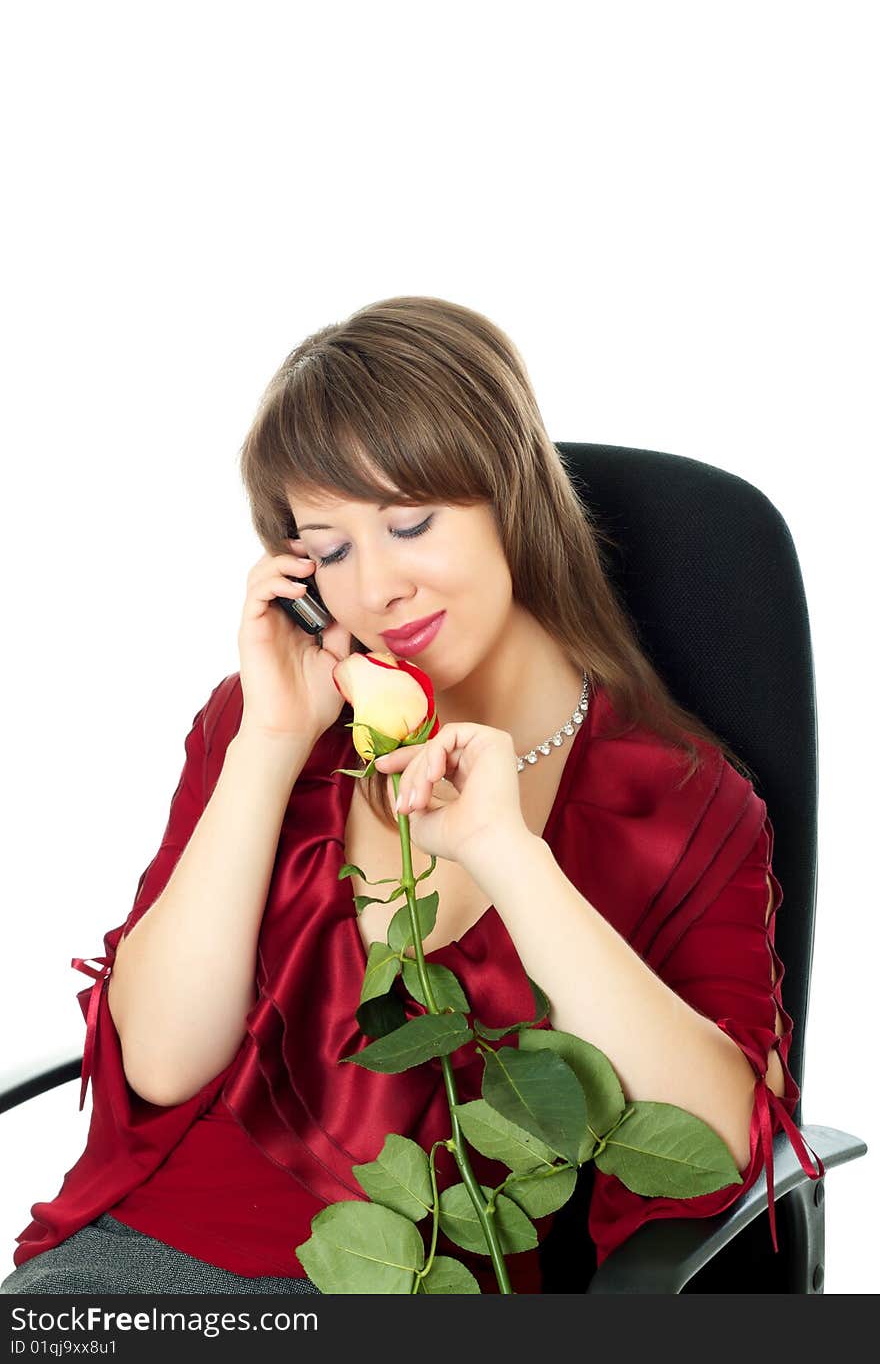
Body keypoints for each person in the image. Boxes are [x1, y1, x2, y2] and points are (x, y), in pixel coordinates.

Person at [2, 296, 822, 1296]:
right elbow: (164, 1065)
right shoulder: (273, 720)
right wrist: (266, 743)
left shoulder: (683, 802)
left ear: (511, 497)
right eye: (330, 546)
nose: (377, 586)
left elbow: (716, 1142)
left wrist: (510, 855)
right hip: (149, 1261)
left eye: (408, 521)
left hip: (427, 1283)